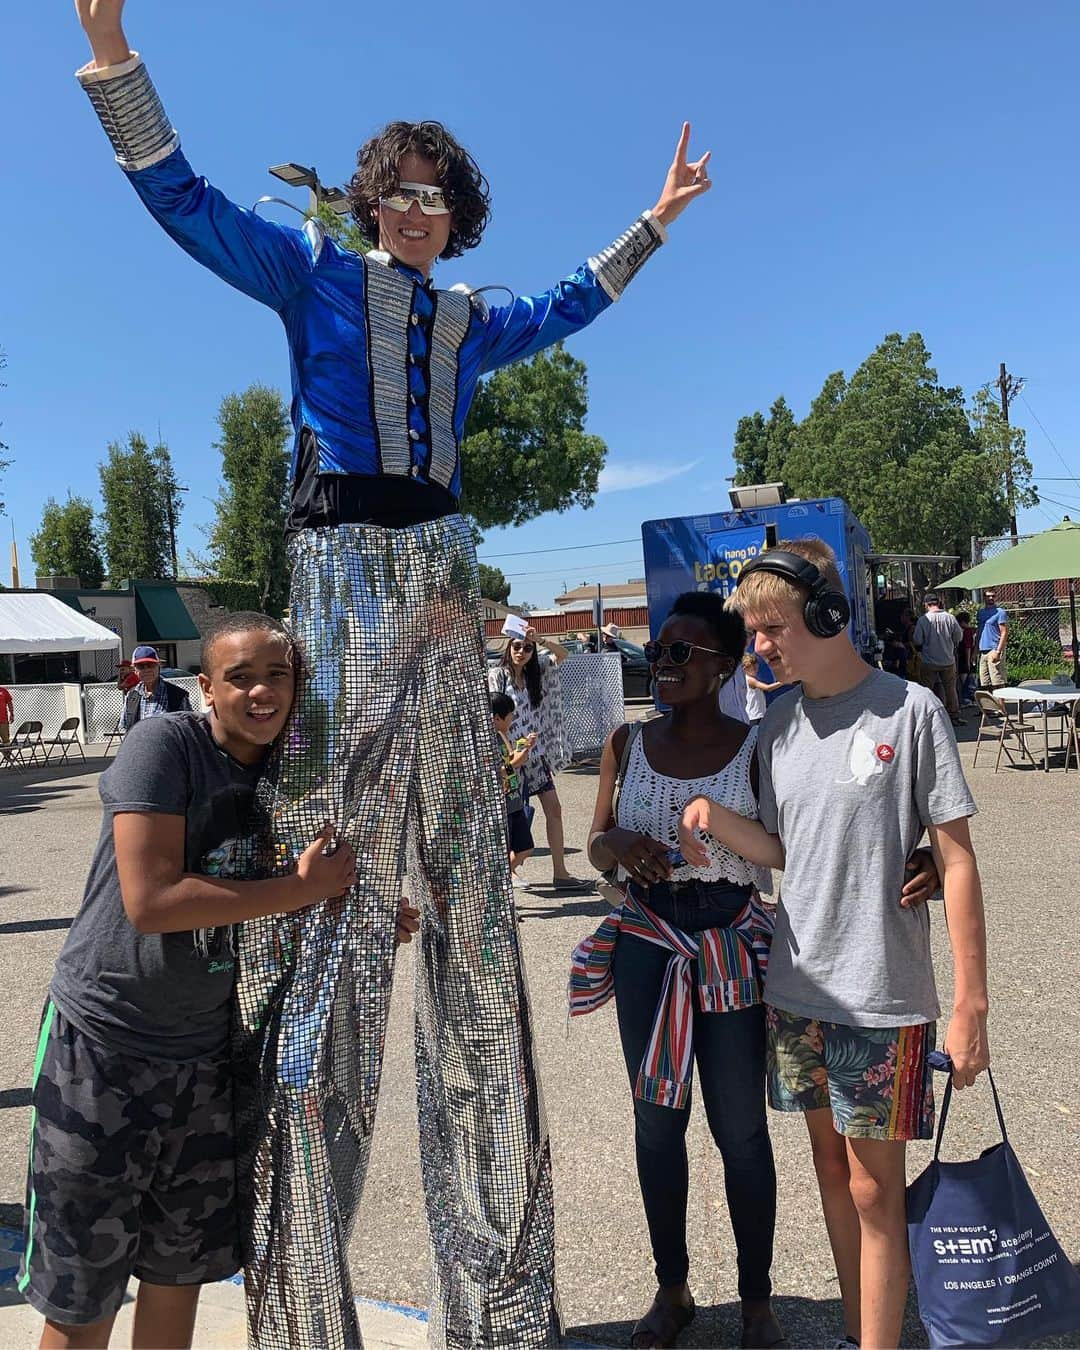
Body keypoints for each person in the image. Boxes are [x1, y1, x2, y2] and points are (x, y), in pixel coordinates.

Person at [72, 5, 711, 1342]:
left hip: (441, 581)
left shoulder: (470, 316)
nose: (418, 213)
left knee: (472, 903)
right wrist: (120, 65)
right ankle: (305, 1307)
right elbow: (181, 201)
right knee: (331, 907)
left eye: (437, 199)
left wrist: (656, 220)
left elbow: (571, 302)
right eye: (401, 195)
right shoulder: (310, 269)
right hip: (340, 570)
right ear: (372, 201)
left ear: (453, 213)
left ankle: (505, 1301)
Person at [17, 612, 358, 1350]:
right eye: (241, 677)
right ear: (206, 687)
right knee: (84, 1293)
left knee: (178, 1276)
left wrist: (356, 904)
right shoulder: (163, 744)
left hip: (203, 1058)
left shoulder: (288, 776)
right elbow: (151, 901)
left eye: (278, 675)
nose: (261, 691)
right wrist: (305, 889)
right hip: (102, 1046)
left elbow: (293, 883)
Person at [680, 539, 990, 1350]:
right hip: (797, 993)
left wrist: (970, 1005)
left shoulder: (911, 711)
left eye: (773, 627)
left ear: (827, 614)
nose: (760, 646)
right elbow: (790, 849)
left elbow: (955, 860)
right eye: (753, 631)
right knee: (831, 1174)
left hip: (882, 993)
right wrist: (719, 824)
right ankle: (861, 1332)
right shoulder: (779, 724)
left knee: (872, 1190)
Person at [580, 592, 784, 1350]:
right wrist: (621, 845)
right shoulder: (626, 744)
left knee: (740, 1129)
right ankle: (673, 1288)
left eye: (680, 653)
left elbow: (794, 839)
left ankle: (757, 1298)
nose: (660, 665)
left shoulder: (756, 746)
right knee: (657, 1124)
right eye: (657, 651)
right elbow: (597, 839)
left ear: (725, 667)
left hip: (730, 941)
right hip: (648, 945)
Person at [490, 629, 590, 891]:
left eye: (527, 648)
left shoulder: (539, 672)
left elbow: (563, 654)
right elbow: (493, 718)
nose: (521, 652)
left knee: (554, 808)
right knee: (511, 816)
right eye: (516, 646)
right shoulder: (498, 676)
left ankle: (560, 872)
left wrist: (541, 640)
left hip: (536, 752)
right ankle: (508, 872)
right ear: (508, 648)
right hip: (511, 756)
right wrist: (510, 754)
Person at [491, 690, 536, 887]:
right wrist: (517, 759)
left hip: (514, 800)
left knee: (525, 848)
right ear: (497, 718)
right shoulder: (485, 741)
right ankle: (498, 882)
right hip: (500, 804)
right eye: (509, 715)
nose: (512, 719)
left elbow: (511, 759)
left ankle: (500, 877)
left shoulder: (502, 736)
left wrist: (524, 747)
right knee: (501, 850)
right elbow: (500, 770)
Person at [911, 594, 963, 727]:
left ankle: (926, 717)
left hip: (929, 661)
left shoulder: (923, 620)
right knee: (950, 689)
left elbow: (917, 640)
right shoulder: (950, 618)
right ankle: (954, 716)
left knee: (926, 690)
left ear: (926, 605)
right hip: (947, 660)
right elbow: (958, 636)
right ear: (938, 603)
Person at [120, 646, 191, 730]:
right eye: (141, 666)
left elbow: (189, 729)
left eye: (151, 665)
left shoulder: (177, 695)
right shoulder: (131, 696)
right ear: (134, 669)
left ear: (159, 666)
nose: (146, 670)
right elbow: (125, 727)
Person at [976, 588, 1009, 689]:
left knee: (997, 682)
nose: (991, 598)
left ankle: (1000, 705)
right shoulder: (980, 613)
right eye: (988, 596)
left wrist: (998, 651)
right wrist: (975, 651)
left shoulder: (1000, 612)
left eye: (993, 596)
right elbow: (979, 632)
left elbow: (1004, 632)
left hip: (994, 649)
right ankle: (990, 704)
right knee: (985, 683)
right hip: (983, 651)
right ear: (984, 597)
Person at [955, 611, 976, 706]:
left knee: (965, 680)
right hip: (966, 657)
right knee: (967, 679)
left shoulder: (966, 632)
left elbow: (968, 648)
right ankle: (968, 698)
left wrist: (968, 662)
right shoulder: (970, 631)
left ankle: (967, 698)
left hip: (964, 658)